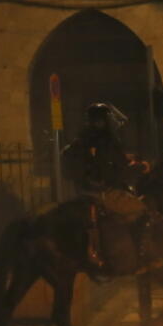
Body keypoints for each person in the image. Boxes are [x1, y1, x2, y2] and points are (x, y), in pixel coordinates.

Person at [60, 103, 148, 273]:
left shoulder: (84, 138)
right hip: (103, 192)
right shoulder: (105, 140)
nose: (112, 122)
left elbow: (104, 163)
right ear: (101, 121)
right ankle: (139, 258)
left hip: (86, 190)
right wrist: (141, 167)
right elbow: (115, 172)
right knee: (141, 209)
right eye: (108, 118)